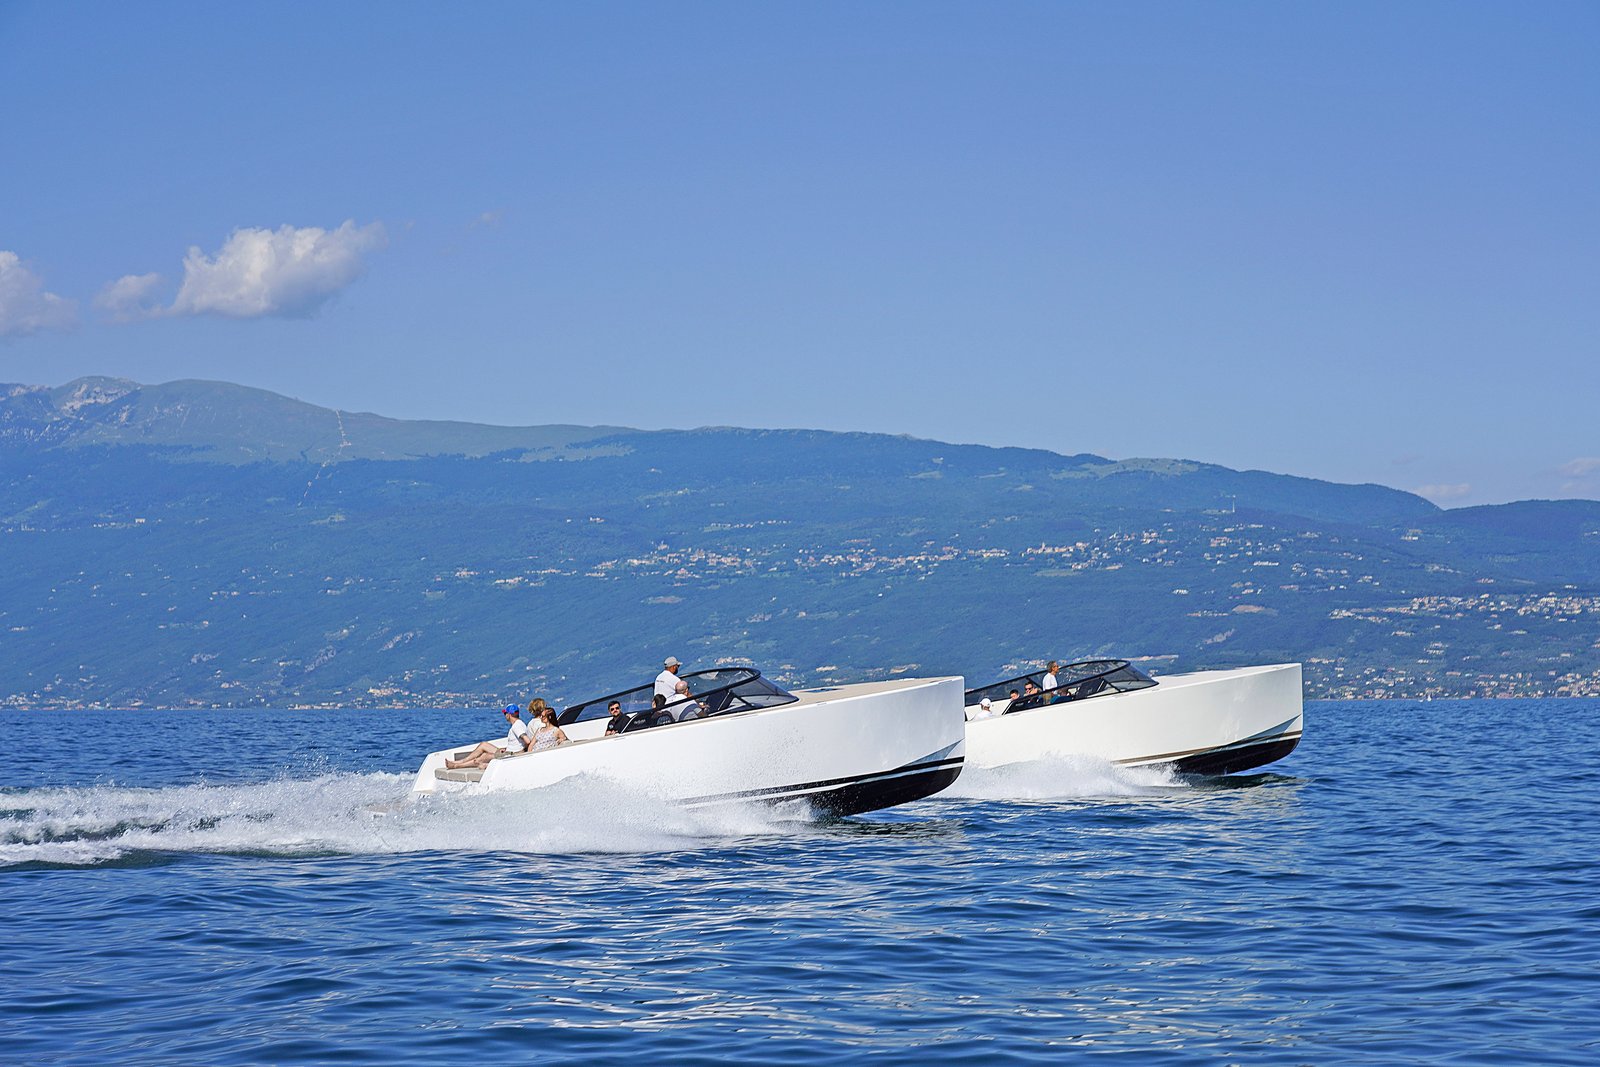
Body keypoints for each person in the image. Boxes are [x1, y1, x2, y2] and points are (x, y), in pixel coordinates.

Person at [446, 705, 530, 769]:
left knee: (484, 757)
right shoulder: (518, 724)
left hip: (510, 755)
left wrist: (517, 753)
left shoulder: (517, 726)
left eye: (505, 713)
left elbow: (527, 741)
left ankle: (457, 765)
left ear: (509, 714)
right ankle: (461, 761)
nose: (505, 715)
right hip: (507, 751)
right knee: (483, 745)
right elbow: (519, 742)